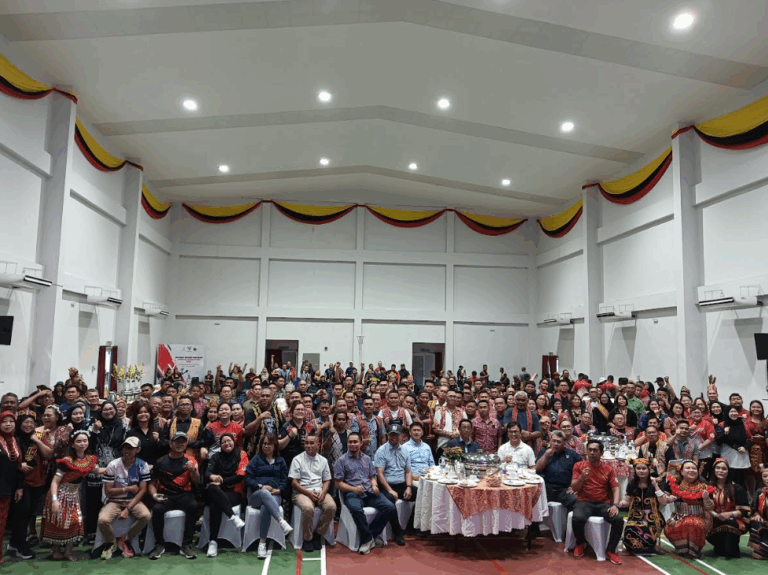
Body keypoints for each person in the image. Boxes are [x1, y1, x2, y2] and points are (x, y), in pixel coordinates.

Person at [334, 432, 397, 555]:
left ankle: (370, 536)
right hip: (352, 494)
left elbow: (372, 476)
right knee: (356, 509)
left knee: (390, 507)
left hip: (369, 492)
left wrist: (374, 485)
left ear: (361, 443)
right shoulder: (341, 461)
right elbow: (338, 483)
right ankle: (368, 539)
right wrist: (353, 489)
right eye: (350, 442)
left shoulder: (367, 459)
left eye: (355, 442)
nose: (352, 444)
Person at [41, 429, 98, 561]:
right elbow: (55, 482)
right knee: (58, 522)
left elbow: (96, 470)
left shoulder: (89, 459)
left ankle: (67, 551)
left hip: (74, 495)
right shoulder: (67, 461)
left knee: (75, 522)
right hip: (60, 494)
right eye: (79, 441)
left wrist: (114, 468)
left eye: (85, 441)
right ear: (73, 444)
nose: (82, 443)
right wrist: (54, 500)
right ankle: (56, 551)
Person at [147, 432, 200, 560]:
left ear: (186, 444)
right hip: (166, 496)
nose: (180, 444)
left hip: (184, 495)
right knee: (157, 509)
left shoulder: (191, 460)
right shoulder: (160, 461)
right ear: (171, 444)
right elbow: (152, 484)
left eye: (183, 442)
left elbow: (197, 481)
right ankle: (159, 544)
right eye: (177, 441)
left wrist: (192, 470)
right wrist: (154, 495)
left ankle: (186, 544)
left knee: (194, 506)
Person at [570, 439, 623, 565]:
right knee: (577, 518)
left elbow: (616, 488)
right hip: (584, 501)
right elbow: (574, 487)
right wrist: (582, 477)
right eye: (590, 450)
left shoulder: (608, 469)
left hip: (603, 503)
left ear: (601, 453)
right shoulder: (579, 466)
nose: (592, 453)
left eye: (595, 450)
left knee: (618, 520)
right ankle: (580, 543)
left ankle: (610, 550)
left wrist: (615, 505)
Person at [97, 436, 152, 560]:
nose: (127, 451)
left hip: (133, 501)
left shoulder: (142, 465)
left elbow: (142, 490)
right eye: (125, 447)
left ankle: (126, 539)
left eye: (131, 448)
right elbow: (108, 492)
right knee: (103, 520)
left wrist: (128, 508)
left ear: (138, 450)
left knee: (146, 516)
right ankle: (111, 542)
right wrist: (127, 489)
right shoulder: (113, 465)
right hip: (114, 501)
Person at [244, 434, 293, 559]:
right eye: (264, 444)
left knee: (266, 507)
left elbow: (284, 480)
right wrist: (260, 486)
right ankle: (281, 521)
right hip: (256, 495)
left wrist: (279, 490)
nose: (266, 446)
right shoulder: (256, 459)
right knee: (264, 493)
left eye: (269, 444)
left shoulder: (280, 461)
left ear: (275, 446)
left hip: (274, 495)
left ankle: (262, 544)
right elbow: (248, 478)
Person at [85, 401, 126, 543]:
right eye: (105, 410)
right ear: (100, 412)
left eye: (111, 409)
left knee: (113, 500)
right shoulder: (95, 425)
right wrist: (95, 430)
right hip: (96, 467)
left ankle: (112, 533)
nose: (108, 412)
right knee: (94, 501)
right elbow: (88, 445)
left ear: (115, 410)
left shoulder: (123, 425)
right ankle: (92, 533)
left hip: (116, 467)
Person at [289, 434, 336, 553]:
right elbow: (294, 482)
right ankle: (307, 538)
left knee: (331, 507)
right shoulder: (297, 459)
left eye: (311, 443)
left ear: (318, 445)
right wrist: (308, 493)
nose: (309, 445)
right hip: (301, 492)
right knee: (308, 508)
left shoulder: (323, 460)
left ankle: (318, 534)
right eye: (307, 443)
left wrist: (323, 492)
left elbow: (327, 480)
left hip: (319, 490)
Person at [204, 433, 248, 557]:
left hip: (233, 493)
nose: (226, 444)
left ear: (234, 442)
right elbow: (207, 473)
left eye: (229, 441)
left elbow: (240, 476)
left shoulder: (241, 454)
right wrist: (212, 476)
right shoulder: (216, 456)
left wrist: (222, 480)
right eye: (223, 442)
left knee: (216, 504)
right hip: (216, 491)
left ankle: (213, 542)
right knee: (213, 489)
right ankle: (233, 517)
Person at [664, 459, 715, 558]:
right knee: (671, 527)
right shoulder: (673, 483)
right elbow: (663, 500)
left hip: (699, 517)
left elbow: (710, 507)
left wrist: (706, 498)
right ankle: (681, 548)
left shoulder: (704, 486)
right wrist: (668, 498)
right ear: (681, 471)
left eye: (694, 468)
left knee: (692, 523)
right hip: (677, 517)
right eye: (688, 468)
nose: (691, 470)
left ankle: (693, 550)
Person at [619, 458, 670, 555]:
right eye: (638, 468)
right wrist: (617, 504)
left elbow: (663, 502)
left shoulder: (656, 483)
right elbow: (627, 502)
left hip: (652, 516)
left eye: (644, 468)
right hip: (636, 516)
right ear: (635, 470)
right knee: (631, 534)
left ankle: (650, 546)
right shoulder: (632, 484)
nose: (641, 471)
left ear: (649, 469)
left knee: (649, 530)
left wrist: (656, 486)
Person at [374, 424, 415, 545]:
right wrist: (390, 490)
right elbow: (379, 474)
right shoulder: (381, 451)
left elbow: (408, 472)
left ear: (402, 436)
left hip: (402, 484)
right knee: (390, 501)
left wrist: (409, 487)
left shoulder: (405, 450)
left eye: (396, 435)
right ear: (387, 435)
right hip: (386, 486)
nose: (394, 437)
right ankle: (398, 533)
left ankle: (411, 527)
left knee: (422, 495)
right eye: (391, 434)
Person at [706, 458, 750, 558]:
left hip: (734, 519)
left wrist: (729, 514)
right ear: (713, 470)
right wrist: (716, 515)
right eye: (718, 468)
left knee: (730, 551)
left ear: (728, 471)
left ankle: (730, 547)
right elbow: (705, 507)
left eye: (724, 469)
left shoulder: (737, 488)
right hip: (714, 518)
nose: (720, 471)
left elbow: (745, 511)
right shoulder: (707, 488)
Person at [535, 430, 581, 511]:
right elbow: (537, 469)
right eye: (554, 441)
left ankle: (569, 519)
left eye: (559, 442)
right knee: (533, 497)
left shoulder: (572, 455)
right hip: (547, 489)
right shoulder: (544, 452)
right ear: (550, 441)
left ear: (564, 443)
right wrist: (546, 455)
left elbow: (582, 471)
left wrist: (575, 487)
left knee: (576, 499)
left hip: (564, 489)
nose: (555, 444)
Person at [0, 412, 23, 564]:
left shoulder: (17, 440)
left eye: (11, 421)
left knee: (1, 524)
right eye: (4, 421)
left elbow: (19, 467)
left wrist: (19, 487)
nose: (8, 424)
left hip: (7, 489)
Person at [720, 406, 750, 486]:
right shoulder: (722, 424)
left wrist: (745, 447)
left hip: (741, 454)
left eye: (735, 411)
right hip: (728, 455)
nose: (733, 413)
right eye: (731, 411)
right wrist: (724, 434)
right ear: (727, 413)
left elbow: (750, 438)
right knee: (728, 478)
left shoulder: (743, 424)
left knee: (740, 479)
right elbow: (717, 441)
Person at [749, 466, 768, 560]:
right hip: (765, 524)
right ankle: (762, 547)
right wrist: (756, 514)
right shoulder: (760, 491)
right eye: (765, 476)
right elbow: (754, 509)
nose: (767, 479)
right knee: (755, 521)